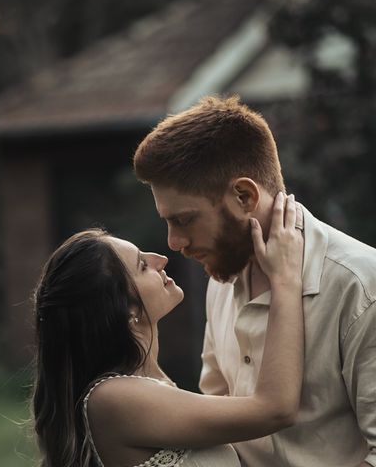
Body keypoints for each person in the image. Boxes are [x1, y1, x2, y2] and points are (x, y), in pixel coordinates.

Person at [133, 95, 376, 467]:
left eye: (183, 220)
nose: (173, 243)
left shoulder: (360, 286)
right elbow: (217, 428)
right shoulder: (221, 277)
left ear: (244, 196)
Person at [31, 192, 304, 467]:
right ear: (127, 309)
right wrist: (284, 279)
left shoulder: (149, 385)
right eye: (142, 265)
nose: (160, 258)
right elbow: (275, 409)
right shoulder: (112, 398)